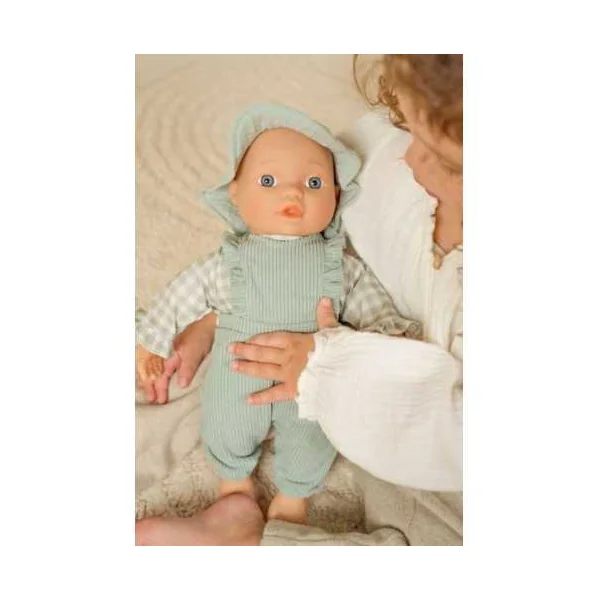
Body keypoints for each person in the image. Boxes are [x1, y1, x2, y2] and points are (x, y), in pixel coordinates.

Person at [136, 54, 463, 545]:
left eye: (446, 163)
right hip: (252, 341)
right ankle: (232, 492)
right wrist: (210, 318)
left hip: (418, 429)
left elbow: (445, 428)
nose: (410, 159)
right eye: (406, 127)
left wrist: (334, 364)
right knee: (164, 378)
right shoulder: (387, 150)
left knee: (429, 530)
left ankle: (265, 532)